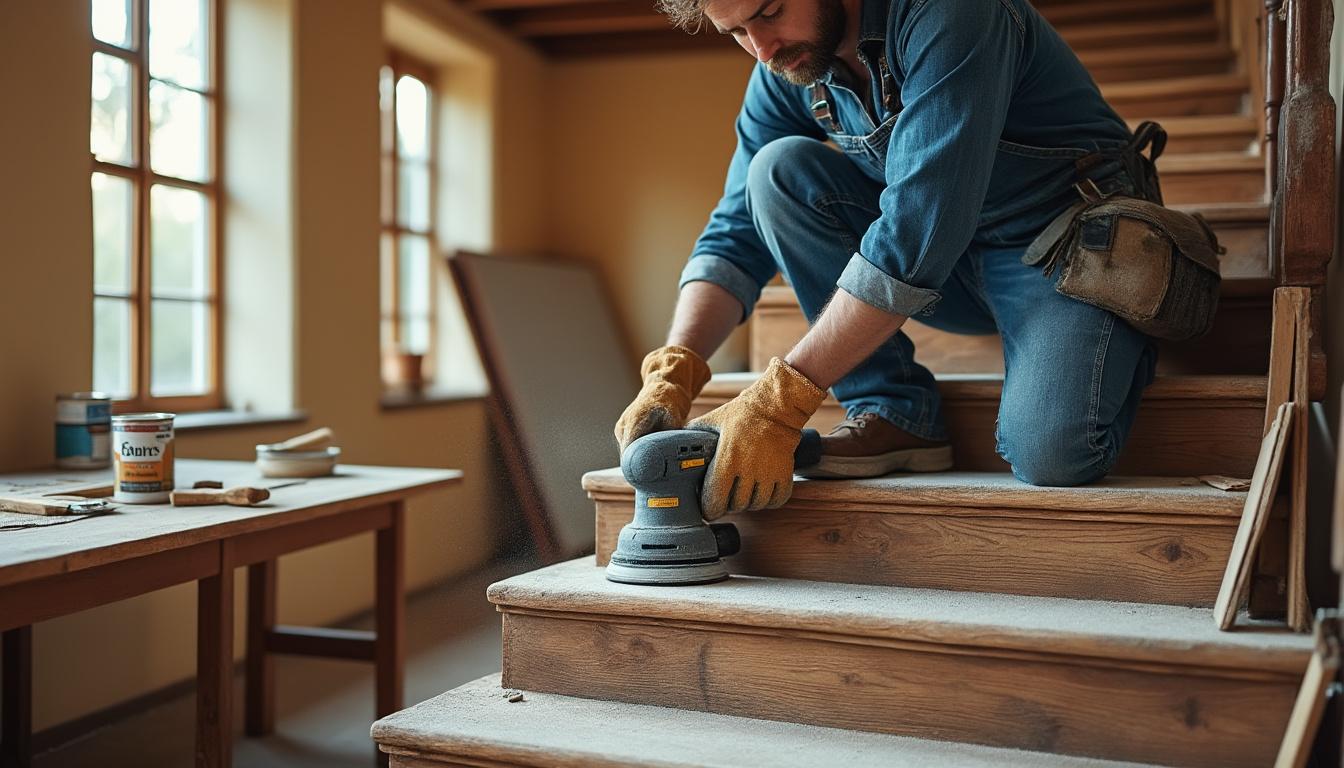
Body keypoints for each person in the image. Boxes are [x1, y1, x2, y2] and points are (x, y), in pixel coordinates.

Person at [614, 0, 1161, 520]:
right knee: (775, 172)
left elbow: (914, 233)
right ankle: (898, 413)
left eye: (769, 12)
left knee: (1054, 454)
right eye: (735, 31)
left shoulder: (950, 14)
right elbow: (734, 230)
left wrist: (779, 403)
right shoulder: (790, 62)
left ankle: (1116, 338)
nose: (760, 48)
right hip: (949, 268)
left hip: (1064, 253)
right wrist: (676, 368)